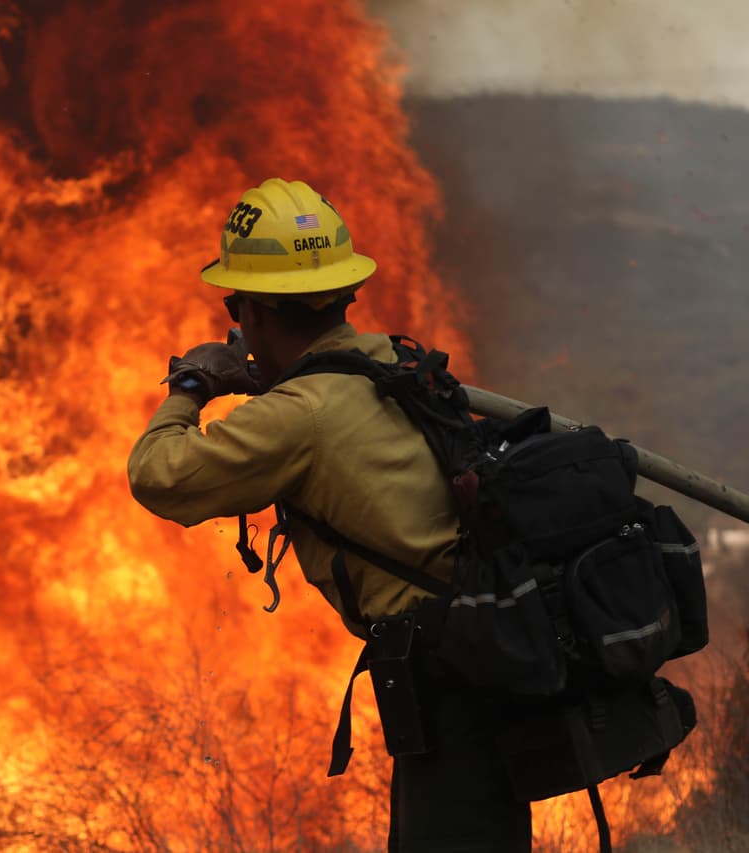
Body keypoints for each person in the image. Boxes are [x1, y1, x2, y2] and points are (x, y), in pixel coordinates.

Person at [126, 178, 532, 852]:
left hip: (450, 678)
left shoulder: (300, 414)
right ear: (341, 295)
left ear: (253, 310)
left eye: (236, 302)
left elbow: (157, 475)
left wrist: (193, 384)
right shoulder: (397, 363)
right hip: (485, 652)